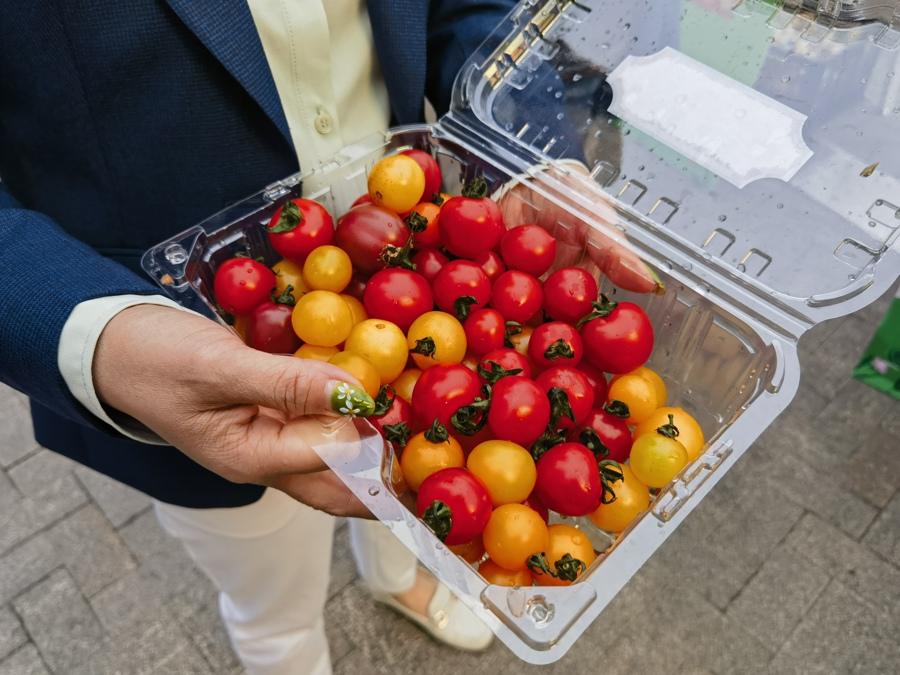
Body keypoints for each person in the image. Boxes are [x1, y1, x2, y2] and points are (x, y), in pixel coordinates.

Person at [0, 2, 658, 673]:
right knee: (269, 591)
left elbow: (469, 9)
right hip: (188, 351)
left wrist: (532, 151)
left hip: (419, 263)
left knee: (413, 487)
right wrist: (100, 337)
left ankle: (396, 578)